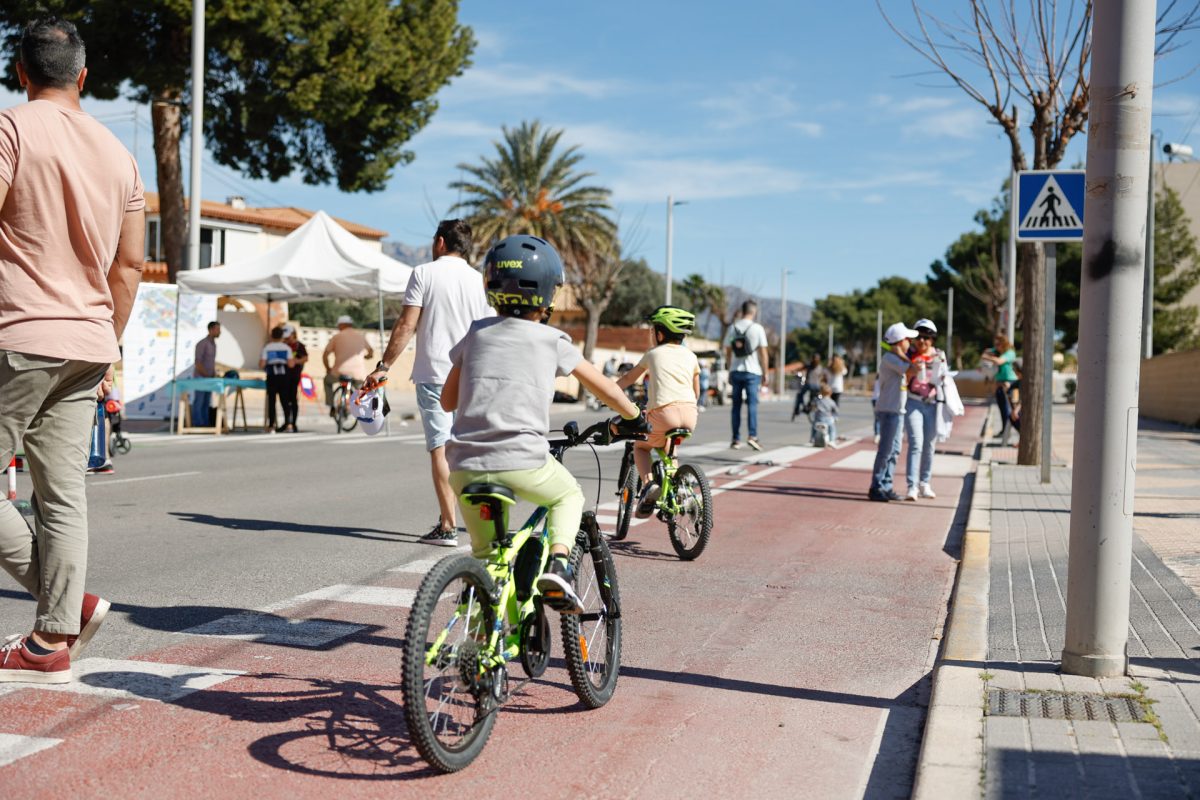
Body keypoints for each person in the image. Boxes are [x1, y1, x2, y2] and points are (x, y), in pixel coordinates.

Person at [0, 18, 144, 682]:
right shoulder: (120, 155)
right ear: (83, 77)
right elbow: (130, 268)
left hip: (18, 335)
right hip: (88, 340)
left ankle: (68, 610)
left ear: (20, 73)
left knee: (52, 495)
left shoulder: (11, 129)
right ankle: (53, 633)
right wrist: (105, 337)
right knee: (61, 495)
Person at [439, 234, 646, 611]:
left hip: (464, 466)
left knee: (489, 559)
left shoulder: (475, 334)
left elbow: (447, 400)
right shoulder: (553, 340)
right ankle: (560, 565)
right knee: (568, 495)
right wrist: (635, 417)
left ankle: (491, 644)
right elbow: (606, 390)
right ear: (549, 295)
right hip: (523, 461)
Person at [365, 219, 493, 546]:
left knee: (440, 447)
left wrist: (384, 366)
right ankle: (482, 525)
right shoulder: (479, 281)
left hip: (435, 373)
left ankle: (448, 527)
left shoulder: (424, 273)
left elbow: (407, 324)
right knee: (467, 450)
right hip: (470, 373)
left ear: (439, 242)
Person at [616, 306, 700, 517]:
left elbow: (629, 379)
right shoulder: (691, 356)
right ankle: (679, 487)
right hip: (690, 414)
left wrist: (608, 393)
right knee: (670, 444)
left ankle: (648, 485)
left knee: (641, 447)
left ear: (660, 334)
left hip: (663, 412)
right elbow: (696, 390)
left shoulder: (653, 353)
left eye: (653, 330)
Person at [868, 323, 920, 502]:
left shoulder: (897, 358)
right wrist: (901, 355)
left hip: (897, 410)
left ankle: (887, 485)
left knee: (895, 450)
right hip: (889, 410)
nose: (910, 342)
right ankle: (876, 486)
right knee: (886, 450)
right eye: (907, 339)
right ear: (899, 342)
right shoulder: (891, 359)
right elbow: (914, 370)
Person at [903, 319, 947, 501]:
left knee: (929, 445)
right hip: (912, 402)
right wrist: (911, 370)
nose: (922, 341)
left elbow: (943, 377)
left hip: (932, 403)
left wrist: (943, 375)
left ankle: (925, 483)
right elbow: (901, 378)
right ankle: (912, 486)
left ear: (933, 339)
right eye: (919, 337)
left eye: (927, 338)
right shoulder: (907, 354)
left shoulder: (939, 355)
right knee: (916, 443)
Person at [723, 299, 769, 450]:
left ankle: (735, 439)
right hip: (753, 372)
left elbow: (728, 351)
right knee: (752, 405)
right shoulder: (757, 328)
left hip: (736, 371)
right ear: (754, 312)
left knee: (735, 407)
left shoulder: (732, 328)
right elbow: (763, 353)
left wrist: (729, 369)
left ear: (742, 311)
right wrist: (766, 372)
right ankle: (752, 436)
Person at [323, 315, 372, 416]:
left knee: (327, 381)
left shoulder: (337, 337)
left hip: (339, 372)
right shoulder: (361, 336)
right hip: (358, 374)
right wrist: (367, 356)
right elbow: (371, 352)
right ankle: (360, 407)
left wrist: (328, 369)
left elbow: (325, 355)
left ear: (342, 325)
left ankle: (332, 405)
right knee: (361, 389)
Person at [981, 332, 1018, 446]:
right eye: (995, 344)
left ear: (1004, 344)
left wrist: (988, 356)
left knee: (1013, 411)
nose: (996, 346)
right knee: (1003, 409)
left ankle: (1017, 433)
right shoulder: (997, 351)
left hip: (1010, 383)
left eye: (999, 344)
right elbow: (986, 352)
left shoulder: (1010, 353)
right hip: (999, 383)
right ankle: (1004, 431)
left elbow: (999, 361)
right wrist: (990, 352)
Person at [260, 326, 294, 432]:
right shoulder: (286, 348)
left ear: (271, 335)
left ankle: (271, 426)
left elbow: (262, 364)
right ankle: (289, 424)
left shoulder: (267, 348)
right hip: (284, 376)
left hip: (272, 376)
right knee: (285, 400)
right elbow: (291, 364)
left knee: (272, 401)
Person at [192, 320, 221, 427]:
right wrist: (206, 375)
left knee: (206, 402)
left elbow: (210, 362)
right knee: (199, 401)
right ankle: (197, 424)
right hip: (201, 378)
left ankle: (205, 423)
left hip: (209, 379)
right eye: (217, 329)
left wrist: (213, 374)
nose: (219, 332)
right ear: (211, 330)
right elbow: (198, 362)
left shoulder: (213, 344)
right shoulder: (202, 344)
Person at [280, 324, 307, 433]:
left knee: (293, 400)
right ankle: (287, 422)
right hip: (282, 376)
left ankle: (293, 423)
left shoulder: (299, 346)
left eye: (288, 336)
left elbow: (305, 358)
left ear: (293, 334)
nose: (287, 338)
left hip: (294, 376)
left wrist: (295, 361)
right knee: (284, 400)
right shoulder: (282, 345)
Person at [793, 354, 826, 420]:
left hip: (810, 385)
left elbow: (800, 369)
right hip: (816, 386)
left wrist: (795, 372)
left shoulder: (810, 366)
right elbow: (823, 377)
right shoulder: (819, 367)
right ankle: (807, 407)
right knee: (810, 396)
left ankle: (799, 408)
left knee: (800, 395)